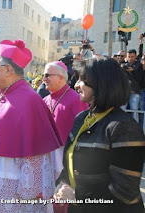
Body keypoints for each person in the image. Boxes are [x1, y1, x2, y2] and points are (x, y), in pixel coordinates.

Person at [0, 39, 62, 212]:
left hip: (10, 185)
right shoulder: (5, 94)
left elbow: (33, 151)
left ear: (8, 69)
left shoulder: (28, 99)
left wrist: (29, 189)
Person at [54, 56, 145, 213]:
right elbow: (72, 161)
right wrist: (63, 183)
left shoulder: (124, 127)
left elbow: (125, 190)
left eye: (82, 80)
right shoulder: (82, 118)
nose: (76, 85)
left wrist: (78, 196)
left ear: (101, 83)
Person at [43, 61, 88, 179]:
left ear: (61, 77)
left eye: (47, 75)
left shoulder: (76, 99)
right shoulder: (45, 100)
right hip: (46, 153)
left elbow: (83, 132)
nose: (44, 79)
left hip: (65, 155)